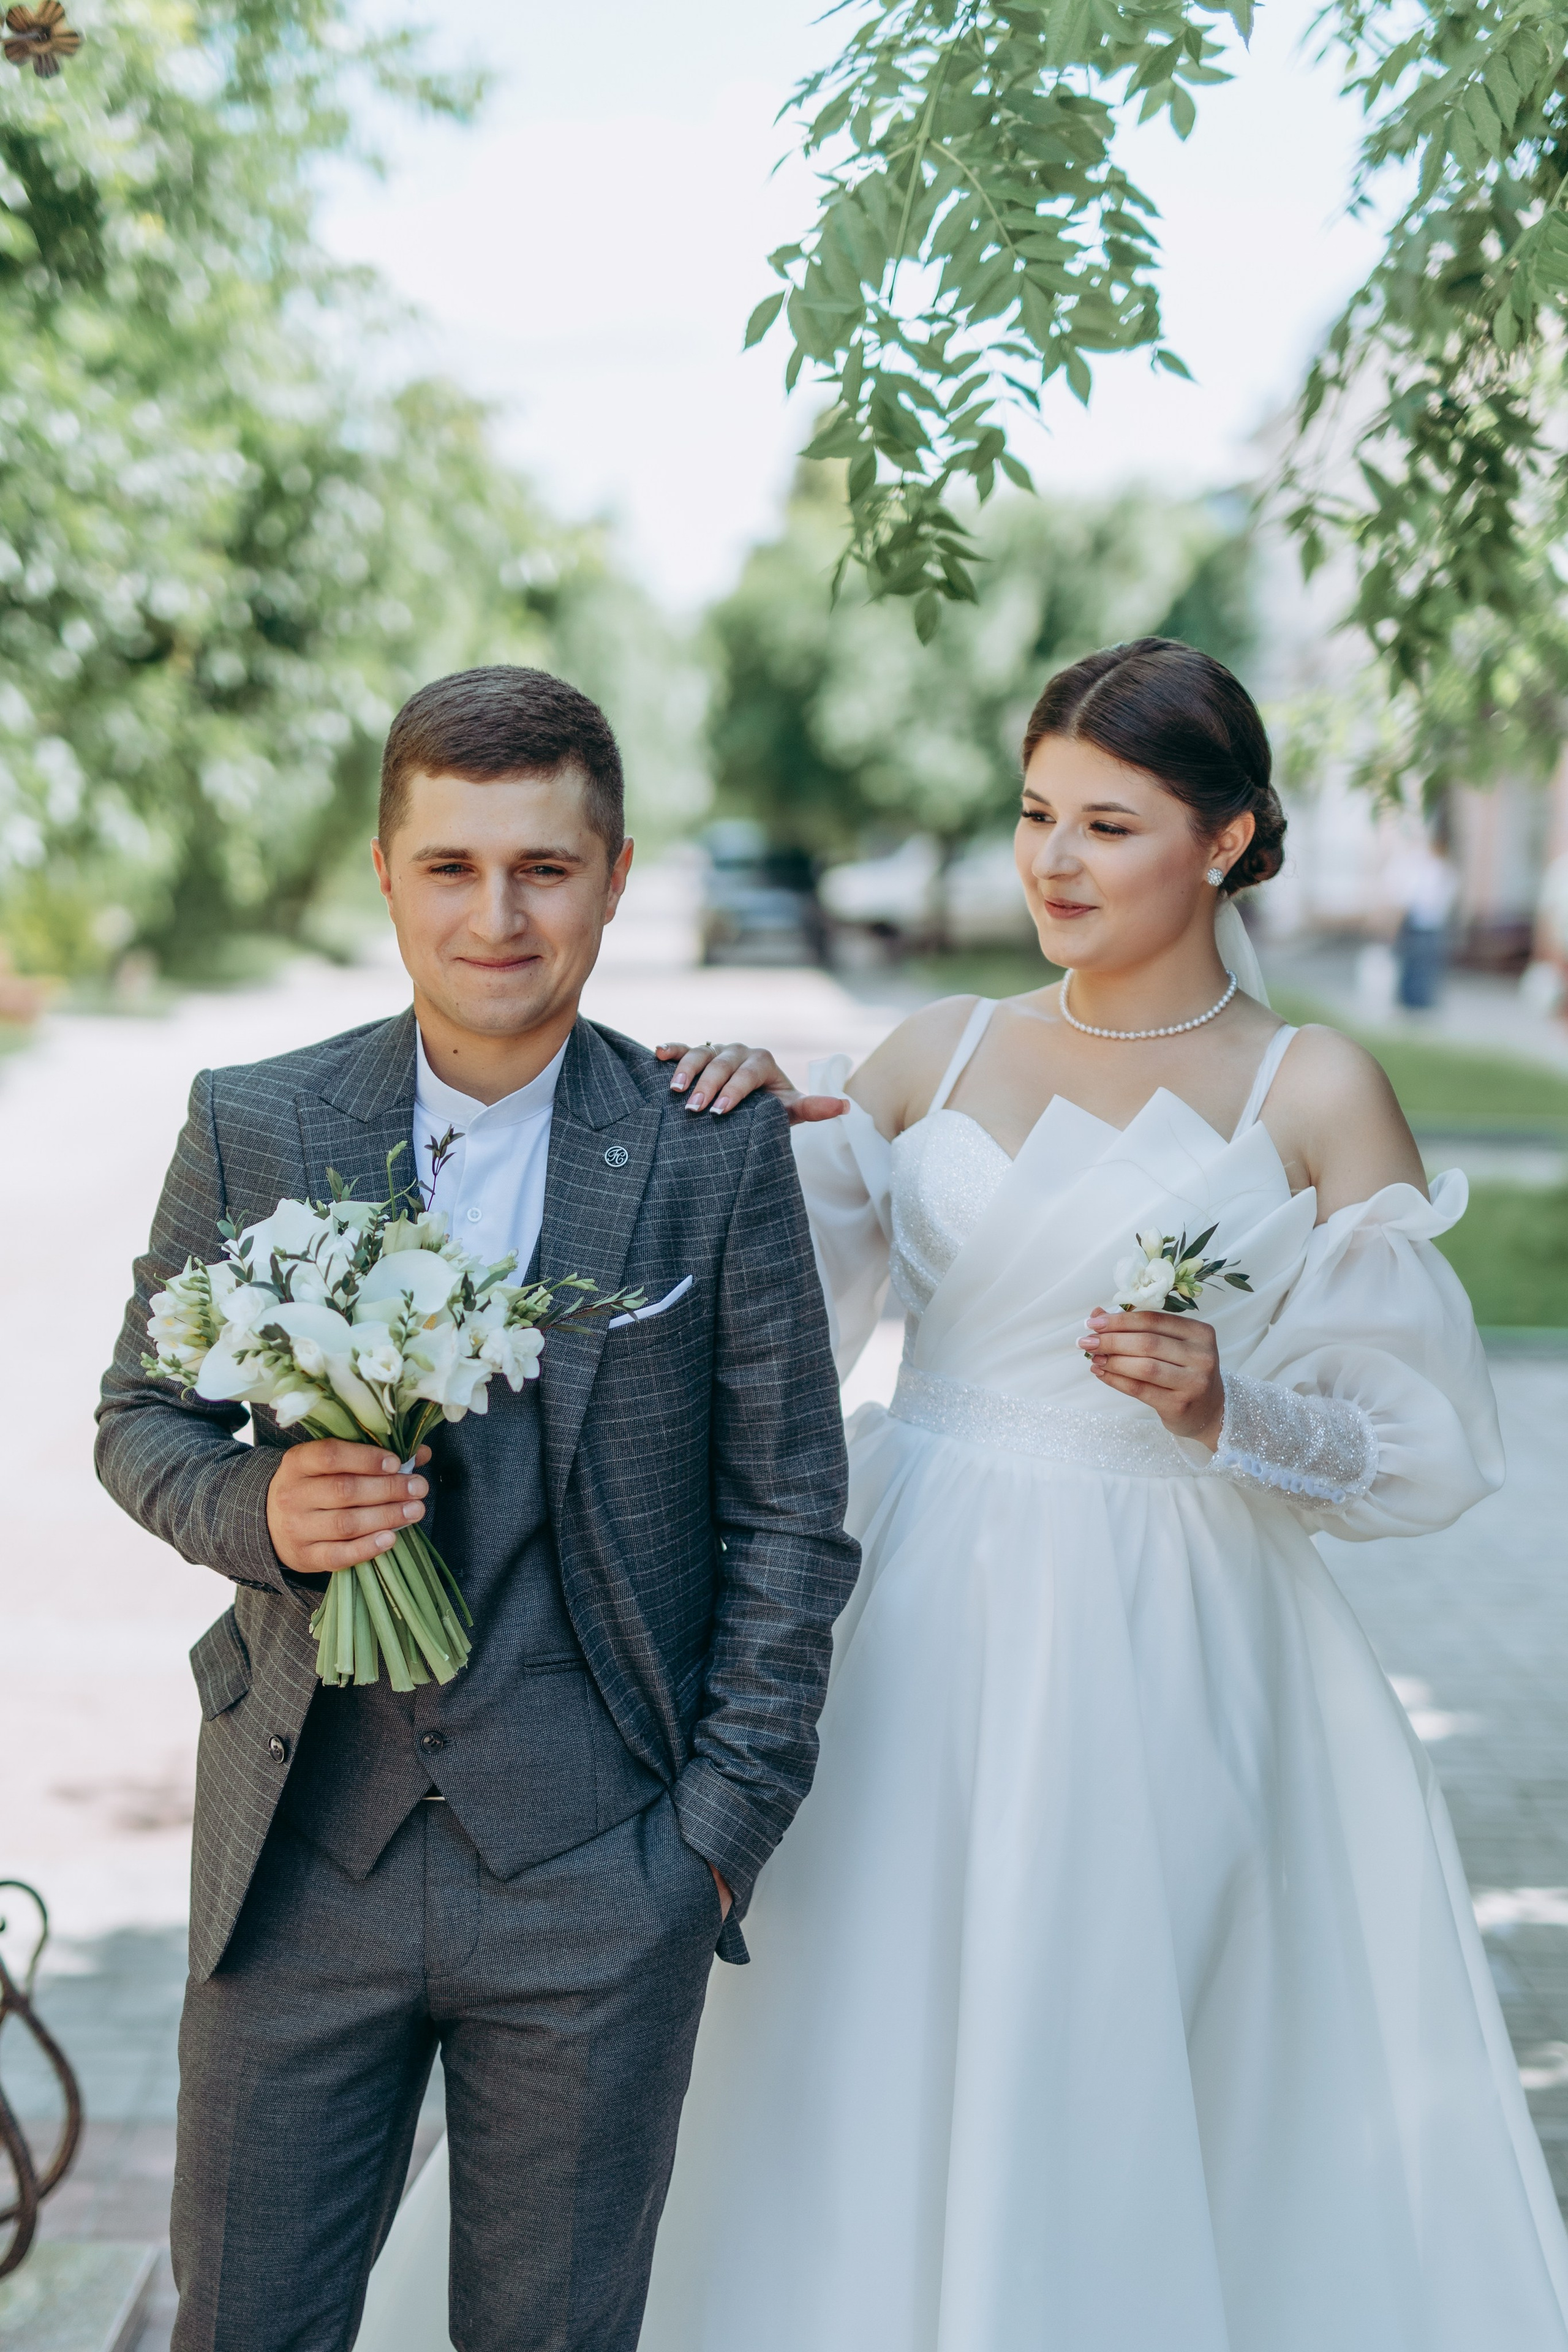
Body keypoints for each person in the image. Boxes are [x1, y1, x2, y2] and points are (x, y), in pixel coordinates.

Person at [630, 639, 1566, 2346]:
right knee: (867, 1997)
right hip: (917, 1593)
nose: (1053, 863)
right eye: (1036, 814)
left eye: (1109, 825)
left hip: (1183, 1618)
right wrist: (732, 1142)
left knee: (1131, 2020)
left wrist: (1234, 1408)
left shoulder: (1316, 1087)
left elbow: (1422, 1447)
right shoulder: (936, 1050)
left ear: (1224, 840)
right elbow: (757, 1340)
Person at [93, 666, 858, 2352]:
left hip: (603, 1870)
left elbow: (794, 1511)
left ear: (616, 877)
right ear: (386, 872)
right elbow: (141, 1418)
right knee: (245, 2326)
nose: (496, 913)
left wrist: (712, 1848)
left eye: (544, 868)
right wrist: (263, 1508)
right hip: (299, 1861)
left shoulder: (705, 1146)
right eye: (451, 866)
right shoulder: (257, 1122)